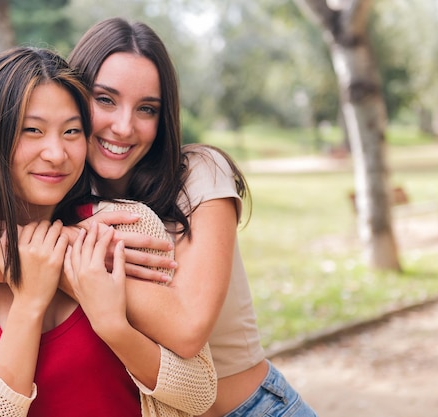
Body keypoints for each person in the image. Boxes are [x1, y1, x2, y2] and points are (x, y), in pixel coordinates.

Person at [0, 46, 216, 417]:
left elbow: (200, 393)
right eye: (32, 130)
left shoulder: (126, 228)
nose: (56, 153)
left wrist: (113, 326)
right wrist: (28, 304)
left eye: (71, 131)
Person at [63, 17, 318, 417]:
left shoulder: (200, 172)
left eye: (146, 108)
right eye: (106, 99)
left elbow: (187, 330)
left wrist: (67, 258)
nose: (125, 126)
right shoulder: (62, 193)